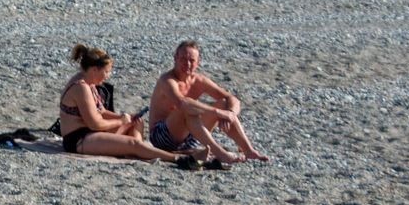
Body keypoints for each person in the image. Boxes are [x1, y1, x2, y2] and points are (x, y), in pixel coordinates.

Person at [58, 44, 202, 168]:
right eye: (106, 71)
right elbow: (95, 123)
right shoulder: (81, 87)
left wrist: (126, 117)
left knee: (136, 124)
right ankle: (177, 158)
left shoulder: (89, 82)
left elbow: (101, 111)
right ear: (95, 69)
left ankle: (139, 153)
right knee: (133, 143)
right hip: (79, 139)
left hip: (90, 132)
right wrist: (120, 121)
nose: (108, 76)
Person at [149, 40, 268, 164]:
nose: (187, 64)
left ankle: (248, 150)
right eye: (183, 59)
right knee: (187, 108)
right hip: (162, 137)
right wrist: (218, 113)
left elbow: (232, 99)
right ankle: (221, 154)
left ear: (197, 62)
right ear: (175, 58)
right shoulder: (167, 80)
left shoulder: (198, 80)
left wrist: (231, 113)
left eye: (192, 60)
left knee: (223, 103)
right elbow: (182, 103)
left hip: (189, 138)